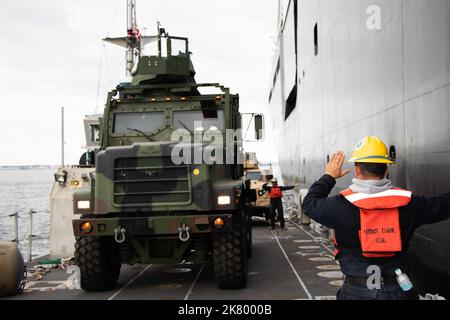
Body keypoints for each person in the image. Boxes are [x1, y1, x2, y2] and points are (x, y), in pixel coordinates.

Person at [302, 136, 450, 300]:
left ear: (357, 169)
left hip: (356, 292)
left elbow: (309, 204)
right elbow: (444, 204)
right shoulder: (411, 204)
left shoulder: (339, 205)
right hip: (400, 290)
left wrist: (329, 176)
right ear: (386, 169)